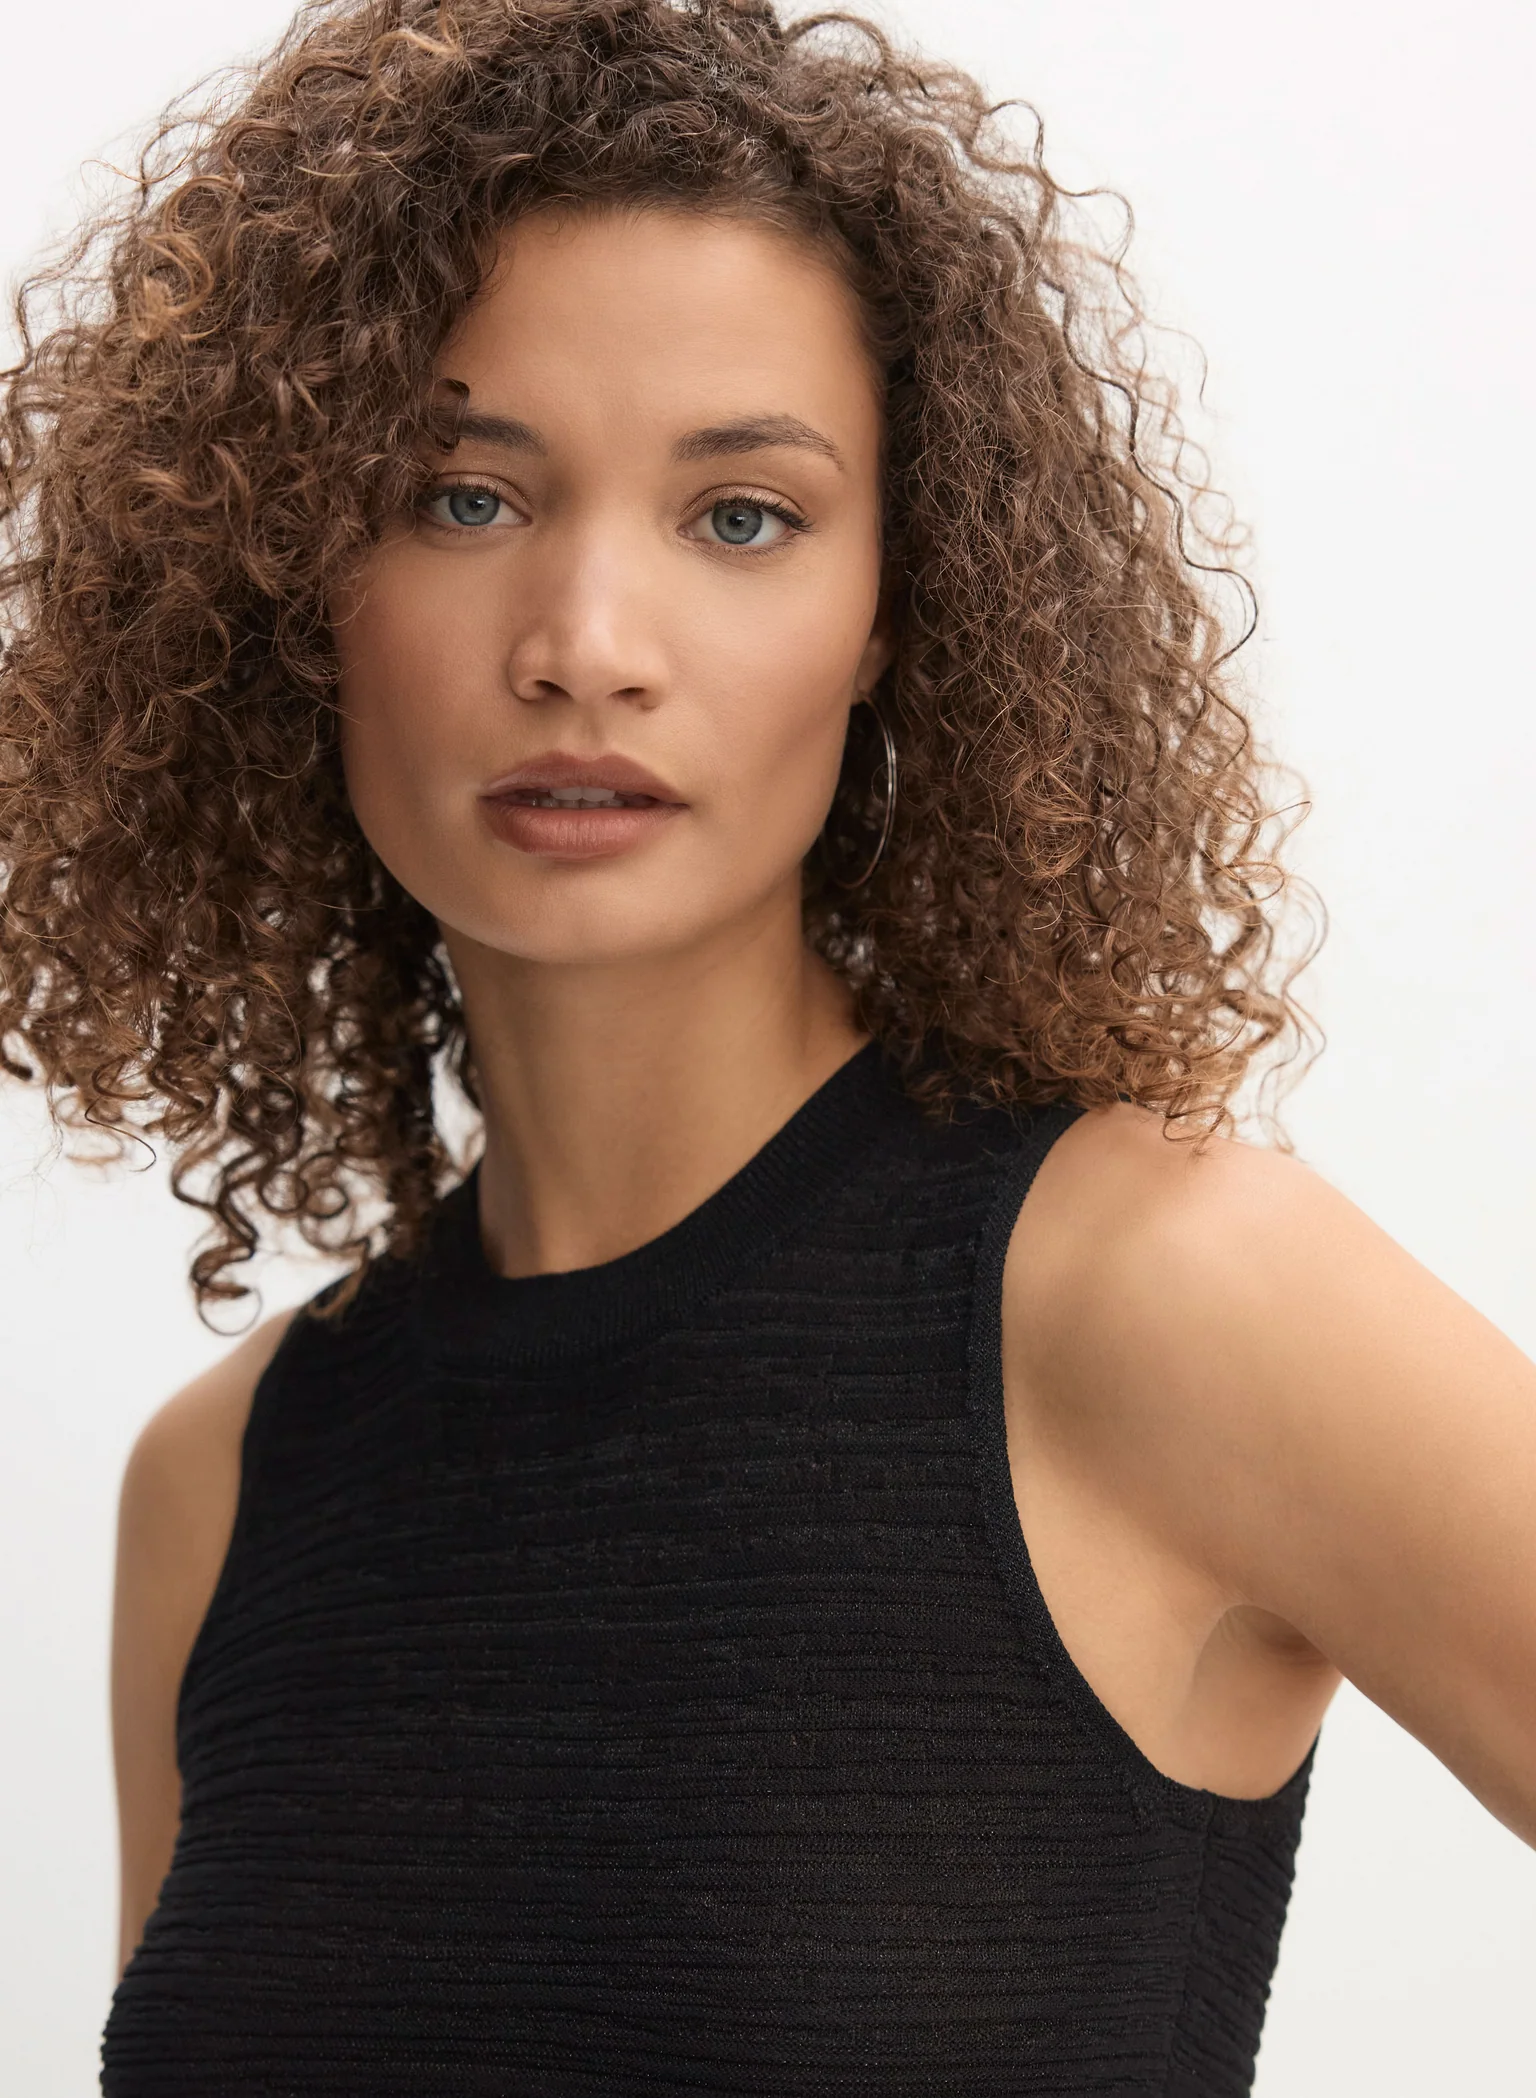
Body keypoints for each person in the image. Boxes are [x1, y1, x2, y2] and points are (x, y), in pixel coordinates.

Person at [1, 0, 1531, 2090]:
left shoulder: (1158, 1293)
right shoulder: (227, 1480)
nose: (585, 646)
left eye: (741, 516)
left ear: (898, 606)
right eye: (463, 495)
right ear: (289, 572)